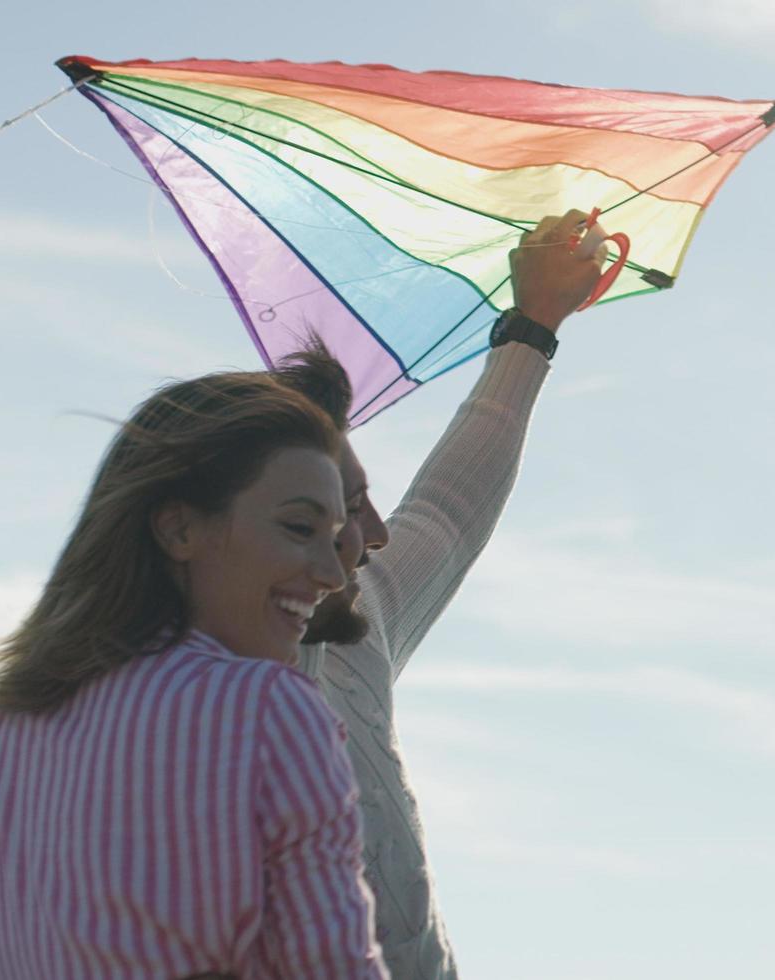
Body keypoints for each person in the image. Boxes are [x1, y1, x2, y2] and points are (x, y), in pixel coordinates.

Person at [0, 372, 387, 978]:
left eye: (334, 537)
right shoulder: (270, 711)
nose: (330, 573)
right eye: (299, 528)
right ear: (178, 528)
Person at [270, 209, 605, 978]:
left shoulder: (352, 616)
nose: (375, 534)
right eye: (332, 511)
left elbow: (447, 512)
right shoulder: (127, 717)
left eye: (361, 501)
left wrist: (534, 325)